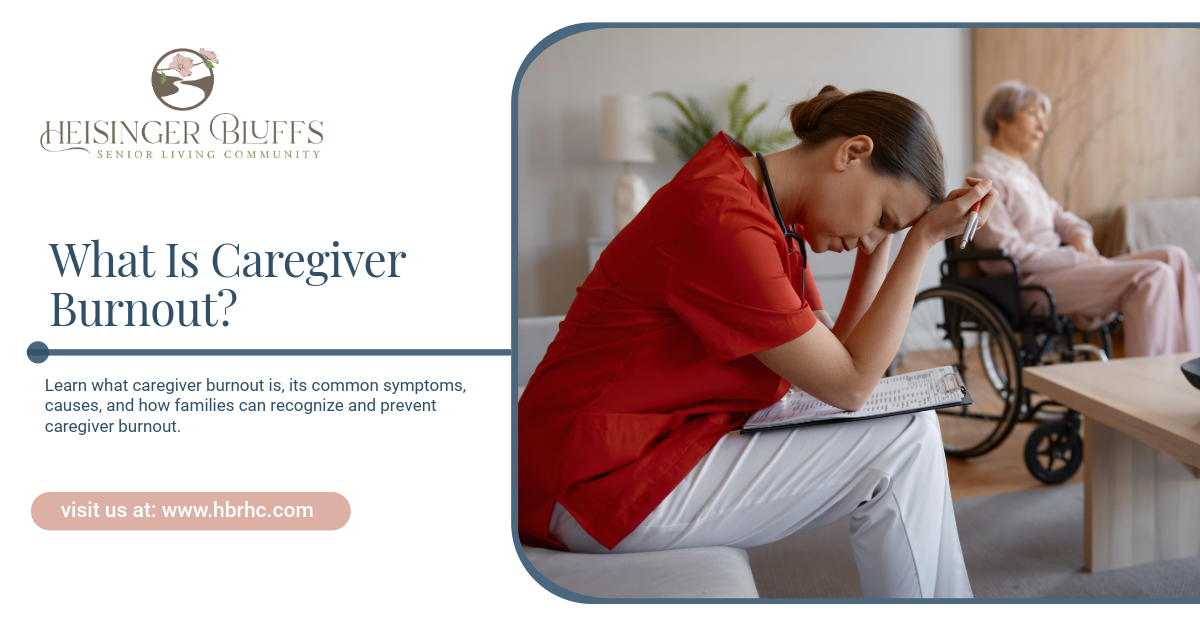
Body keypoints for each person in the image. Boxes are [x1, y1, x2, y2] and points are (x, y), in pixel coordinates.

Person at [519, 86, 997, 598]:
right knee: (903, 438)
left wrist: (881, 245)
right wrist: (919, 242)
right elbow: (852, 384)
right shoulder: (723, 221)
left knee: (909, 429)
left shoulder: (764, 205)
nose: (871, 236)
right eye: (881, 218)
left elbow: (834, 358)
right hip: (588, 483)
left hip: (654, 448)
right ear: (851, 153)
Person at [969, 80, 1200, 357]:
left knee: (1174, 258)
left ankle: (1189, 364)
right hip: (1032, 284)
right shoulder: (984, 179)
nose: (1043, 127)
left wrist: (1080, 235)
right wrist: (1077, 258)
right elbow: (1008, 255)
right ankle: (1150, 386)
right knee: (1153, 275)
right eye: (1033, 115)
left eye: (1044, 119)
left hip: (1066, 270)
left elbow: (1063, 218)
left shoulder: (1024, 176)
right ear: (1002, 117)